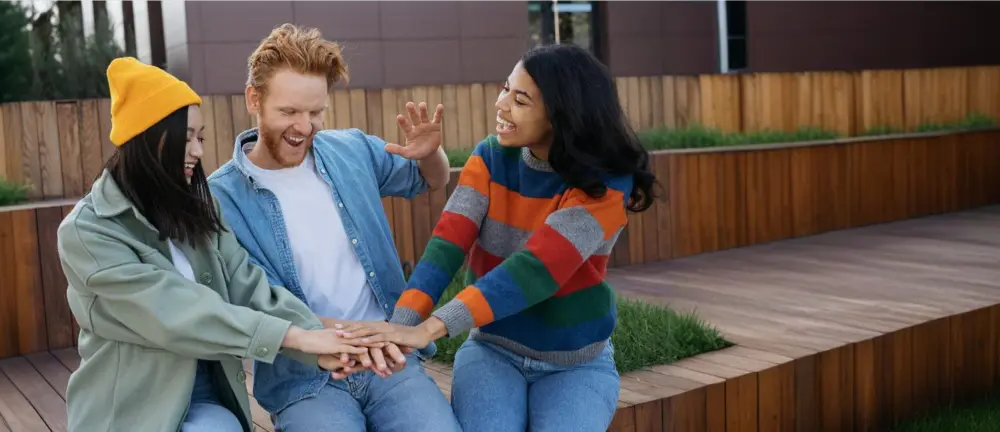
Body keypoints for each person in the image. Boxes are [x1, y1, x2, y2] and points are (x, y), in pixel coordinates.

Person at [338, 43, 659, 432]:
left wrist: (430, 328)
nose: (500, 104)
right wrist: (399, 329)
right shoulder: (491, 157)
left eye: (519, 99)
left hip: (576, 363)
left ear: (561, 115)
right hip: (493, 351)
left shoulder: (605, 183)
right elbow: (447, 245)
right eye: (506, 88)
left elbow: (534, 271)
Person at [56, 57, 368, 432]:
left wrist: (321, 342)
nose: (198, 151)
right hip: (132, 404)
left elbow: (249, 286)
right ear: (146, 135)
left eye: (200, 137)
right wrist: (294, 336)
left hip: (207, 390)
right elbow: (172, 311)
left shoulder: (200, 207)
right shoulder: (88, 232)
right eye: (185, 138)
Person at [205, 24, 461, 431]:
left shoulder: (351, 149)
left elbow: (431, 179)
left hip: (388, 358)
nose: (304, 127)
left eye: (315, 112)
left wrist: (432, 155)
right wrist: (352, 340)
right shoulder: (220, 198)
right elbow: (251, 300)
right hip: (304, 378)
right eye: (289, 112)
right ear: (254, 99)